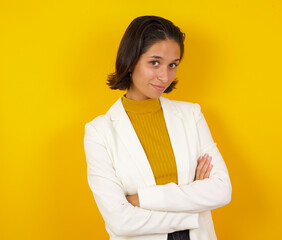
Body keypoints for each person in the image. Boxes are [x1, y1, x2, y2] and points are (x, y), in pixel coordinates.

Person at [84, 15, 232, 240]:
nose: (165, 76)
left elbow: (221, 190)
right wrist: (192, 210)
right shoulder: (99, 132)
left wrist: (140, 199)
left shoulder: (191, 115)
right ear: (131, 60)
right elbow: (120, 221)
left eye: (172, 65)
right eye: (155, 62)